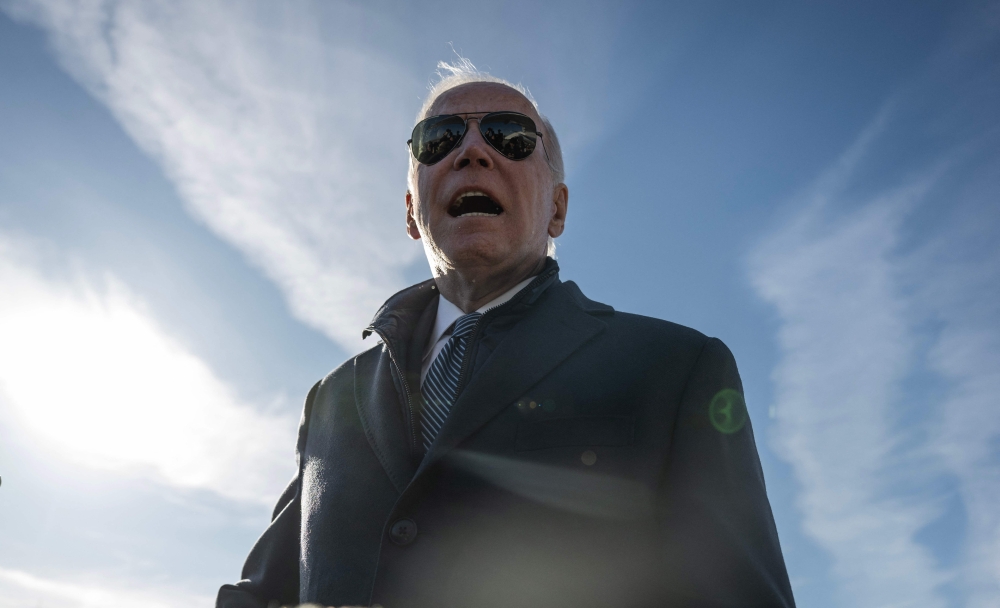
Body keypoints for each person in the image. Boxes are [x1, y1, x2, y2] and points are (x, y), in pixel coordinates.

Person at [217, 63, 796, 608]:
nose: (472, 152)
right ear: (412, 211)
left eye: (510, 136)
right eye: (438, 139)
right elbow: (265, 592)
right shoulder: (332, 400)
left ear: (558, 209)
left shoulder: (677, 369)